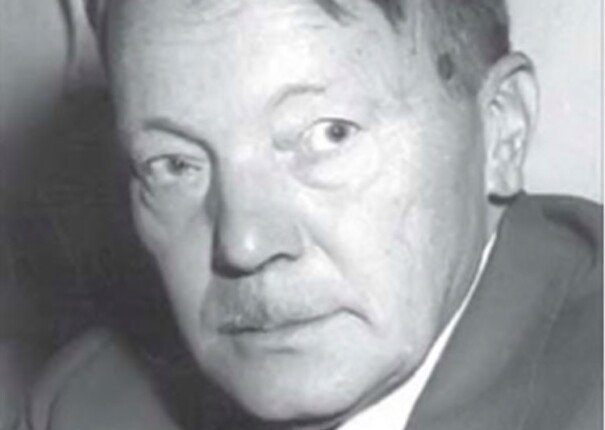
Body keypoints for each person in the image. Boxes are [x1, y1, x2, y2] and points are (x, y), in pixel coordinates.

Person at [23, 1, 602, 429]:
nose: (244, 244)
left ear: (502, 130)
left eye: (328, 134)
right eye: (173, 164)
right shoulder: (84, 408)